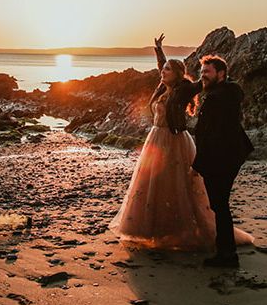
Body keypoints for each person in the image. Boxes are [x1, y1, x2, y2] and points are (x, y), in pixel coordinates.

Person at [108, 34, 253, 254]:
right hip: (155, 138)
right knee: (153, 186)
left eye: (167, 70)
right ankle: (155, 231)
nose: (162, 71)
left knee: (179, 187)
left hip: (174, 140)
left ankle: (192, 233)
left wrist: (219, 76)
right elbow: (163, 66)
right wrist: (158, 49)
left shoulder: (184, 88)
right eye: (162, 69)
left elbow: (203, 84)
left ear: (176, 74)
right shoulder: (161, 86)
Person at [192, 54, 255, 268]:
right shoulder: (227, 92)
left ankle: (227, 254)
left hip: (220, 157)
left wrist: (197, 164)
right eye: (201, 72)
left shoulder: (217, 97)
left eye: (207, 72)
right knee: (220, 205)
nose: (203, 76)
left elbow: (210, 134)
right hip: (229, 154)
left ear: (220, 73)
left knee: (219, 204)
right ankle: (226, 251)